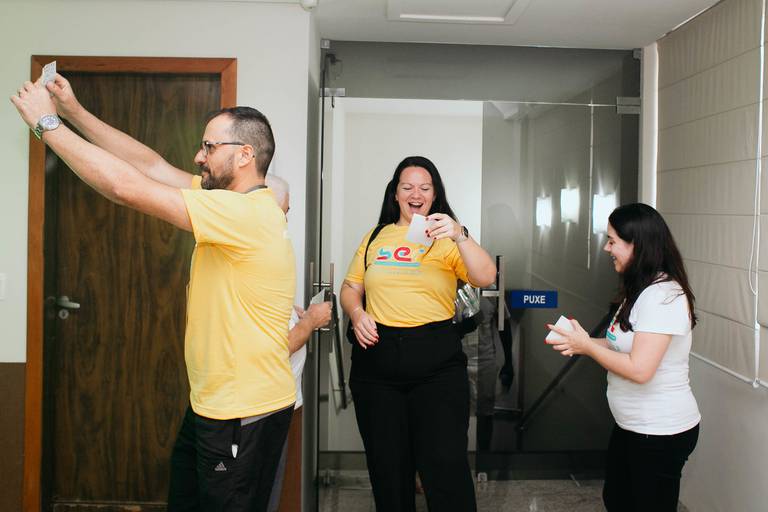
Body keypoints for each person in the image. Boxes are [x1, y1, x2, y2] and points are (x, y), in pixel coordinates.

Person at [12, 76, 297, 511]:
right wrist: (74, 112)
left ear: (244, 154)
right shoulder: (231, 203)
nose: (198, 157)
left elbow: (126, 188)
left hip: (241, 410)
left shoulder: (245, 213)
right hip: (212, 403)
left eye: (208, 147)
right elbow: (150, 166)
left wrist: (46, 124)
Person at [340, 156, 497, 512]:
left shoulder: (447, 240)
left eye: (425, 188)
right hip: (377, 364)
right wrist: (357, 312)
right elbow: (350, 287)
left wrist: (459, 234)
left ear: (434, 195)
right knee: (388, 470)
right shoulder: (376, 236)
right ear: (395, 194)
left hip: (436, 365)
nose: (416, 194)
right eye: (407, 187)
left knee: (446, 467)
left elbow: (486, 277)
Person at [546, 203, 700, 512]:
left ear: (637, 245)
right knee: (617, 499)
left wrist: (587, 347)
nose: (606, 248)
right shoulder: (640, 289)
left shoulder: (663, 296)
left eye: (612, 240)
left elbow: (640, 369)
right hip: (632, 425)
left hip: (660, 430)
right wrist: (584, 341)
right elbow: (622, 345)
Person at [265, 174, 331, 512]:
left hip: (287, 400)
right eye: (284, 211)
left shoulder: (271, 253)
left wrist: (295, 316)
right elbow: (274, 347)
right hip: (268, 407)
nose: (286, 220)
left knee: (282, 490)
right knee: (271, 495)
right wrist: (310, 321)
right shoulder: (256, 257)